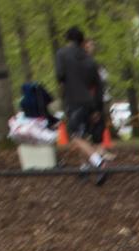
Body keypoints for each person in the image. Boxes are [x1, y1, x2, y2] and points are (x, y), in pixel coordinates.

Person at [54, 27, 110, 182]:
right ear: (82, 41)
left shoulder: (62, 54)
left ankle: (99, 163)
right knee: (83, 136)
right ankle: (84, 168)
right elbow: (98, 85)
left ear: (68, 39)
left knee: (75, 137)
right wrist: (97, 109)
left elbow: (60, 76)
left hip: (73, 100)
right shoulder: (89, 59)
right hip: (90, 102)